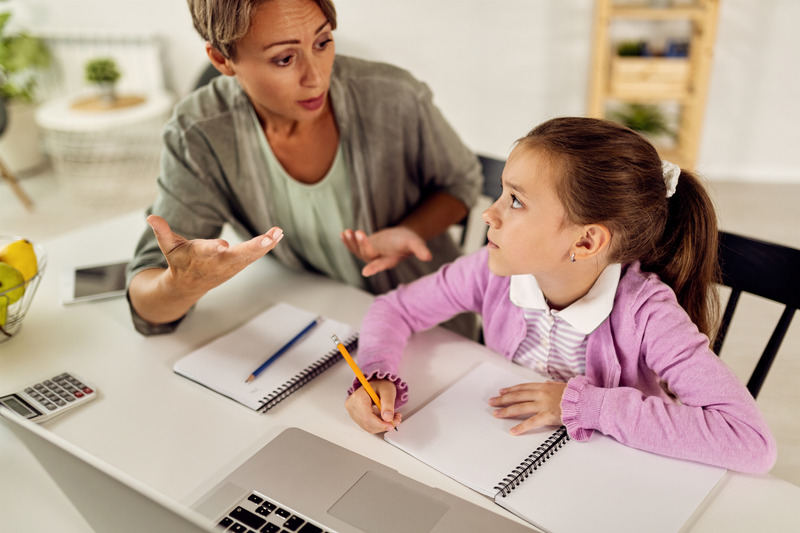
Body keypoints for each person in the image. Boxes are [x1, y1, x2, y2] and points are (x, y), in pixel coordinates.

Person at [345, 116, 777, 474]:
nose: (488, 213)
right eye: (502, 191)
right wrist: (378, 373)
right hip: (502, 456)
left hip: (614, 473)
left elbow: (751, 442)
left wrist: (583, 404)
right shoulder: (491, 272)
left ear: (586, 243)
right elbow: (395, 309)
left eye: (515, 201)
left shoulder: (648, 316)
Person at [126, 0, 482, 335]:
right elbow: (148, 303)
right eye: (284, 59)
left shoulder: (394, 95)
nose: (316, 77)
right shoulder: (199, 133)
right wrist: (182, 286)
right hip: (321, 328)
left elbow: (461, 182)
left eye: (323, 41)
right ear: (222, 59)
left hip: (431, 331)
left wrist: (411, 230)